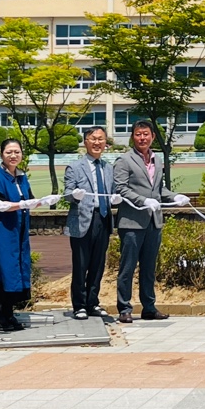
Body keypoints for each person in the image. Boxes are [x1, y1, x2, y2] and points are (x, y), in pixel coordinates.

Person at [113, 120, 183, 323]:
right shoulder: (124, 160)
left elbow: (158, 189)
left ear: (152, 136)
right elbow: (121, 188)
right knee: (128, 267)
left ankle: (149, 307)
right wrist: (143, 200)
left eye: (145, 134)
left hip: (154, 221)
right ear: (132, 137)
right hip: (132, 222)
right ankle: (124, 308)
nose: (142, 138)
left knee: (149, 268)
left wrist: (175, 196)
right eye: (138, 134)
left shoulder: (157, 160)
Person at [65, 125, 120, 320]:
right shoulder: (75, 166)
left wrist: (115, 198)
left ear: (106, 143)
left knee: (98, 264)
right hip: (82, 220)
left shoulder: (108, 167)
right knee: (81, 264)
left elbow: (113, 190)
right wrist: (75, 195)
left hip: (103, 218)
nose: (97, 143)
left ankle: (92, 302)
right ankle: (79, 305)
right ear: (85, 141)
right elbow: (67, 194)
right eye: (93, 138)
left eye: (101, 139)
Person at [0, 137, 36, 332]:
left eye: (17, 152)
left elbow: (29, 200)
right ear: (1, 155)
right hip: (3, 231)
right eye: (9, 152)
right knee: (1, 270)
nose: (13, 156)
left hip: (19, 232)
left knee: (15, 271)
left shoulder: (22, 177)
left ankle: (8, 313)